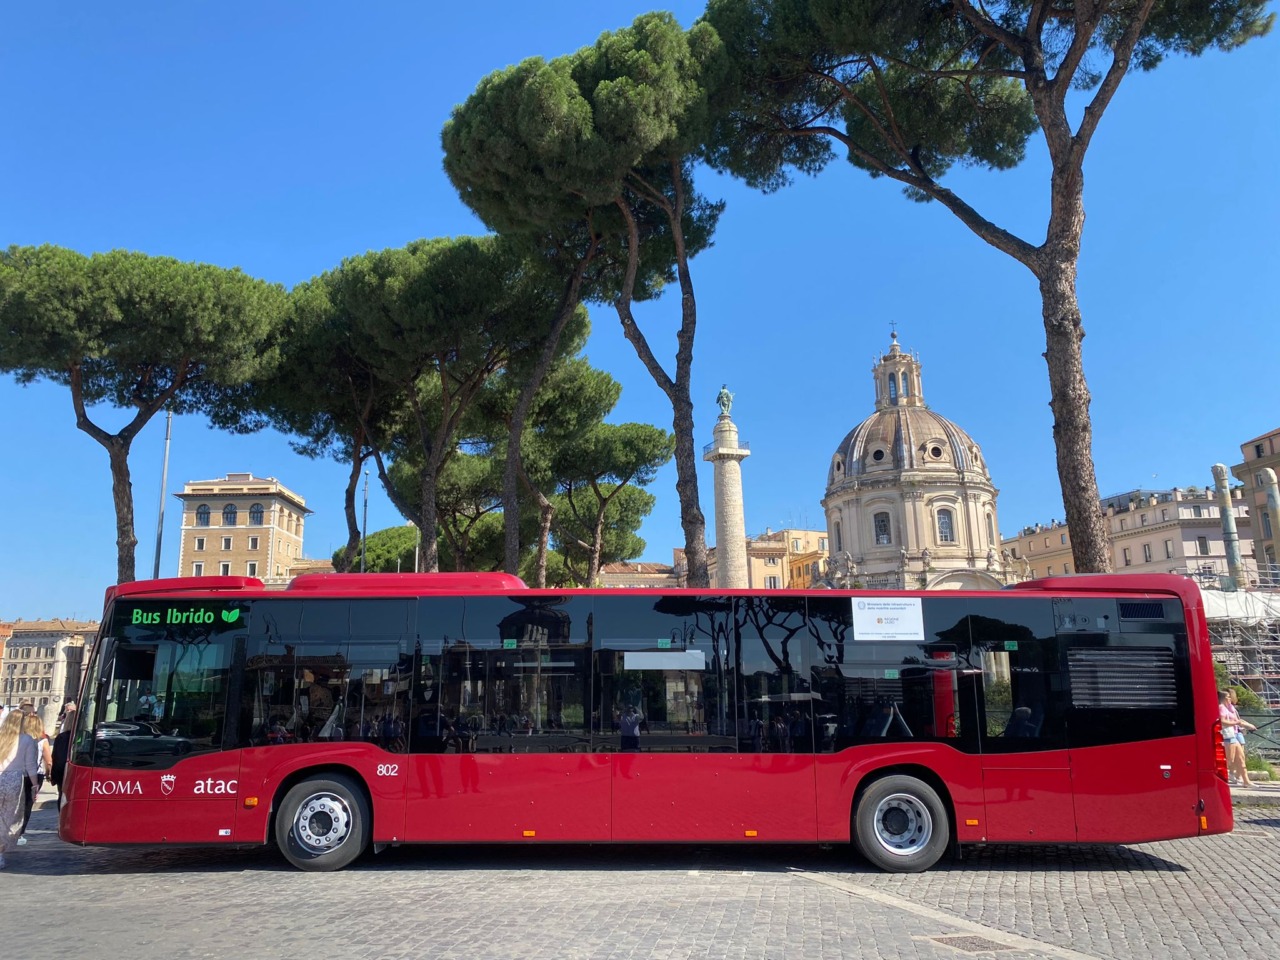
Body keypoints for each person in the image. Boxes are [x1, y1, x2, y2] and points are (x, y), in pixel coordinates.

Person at [0, 710, 41, 869]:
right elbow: (30, 765)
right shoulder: (26, 739)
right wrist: (35, 784)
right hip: (14, 780)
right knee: (10, 818)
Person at [16, 712, 53, 845]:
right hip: (36, 775)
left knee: (16, 803)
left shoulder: (18, 738)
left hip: (18, 773)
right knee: (27, 804)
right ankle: (20, 833)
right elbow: (48, 761)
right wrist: (49, 774)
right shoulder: (42, 740)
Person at [1220, 689, 1258, 787]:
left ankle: (1246, 781)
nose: (1230, 698)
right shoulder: (1221, 707)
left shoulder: (1228, 707)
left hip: (1232, 735)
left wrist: (1247, 725)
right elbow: (1222, 721)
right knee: (1230, 760)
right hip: (1227, 735)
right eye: (1228, 697)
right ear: (1224, 698)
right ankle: (1221, 778)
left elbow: (1237, 720)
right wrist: (1236, 723)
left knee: (1241, 758)